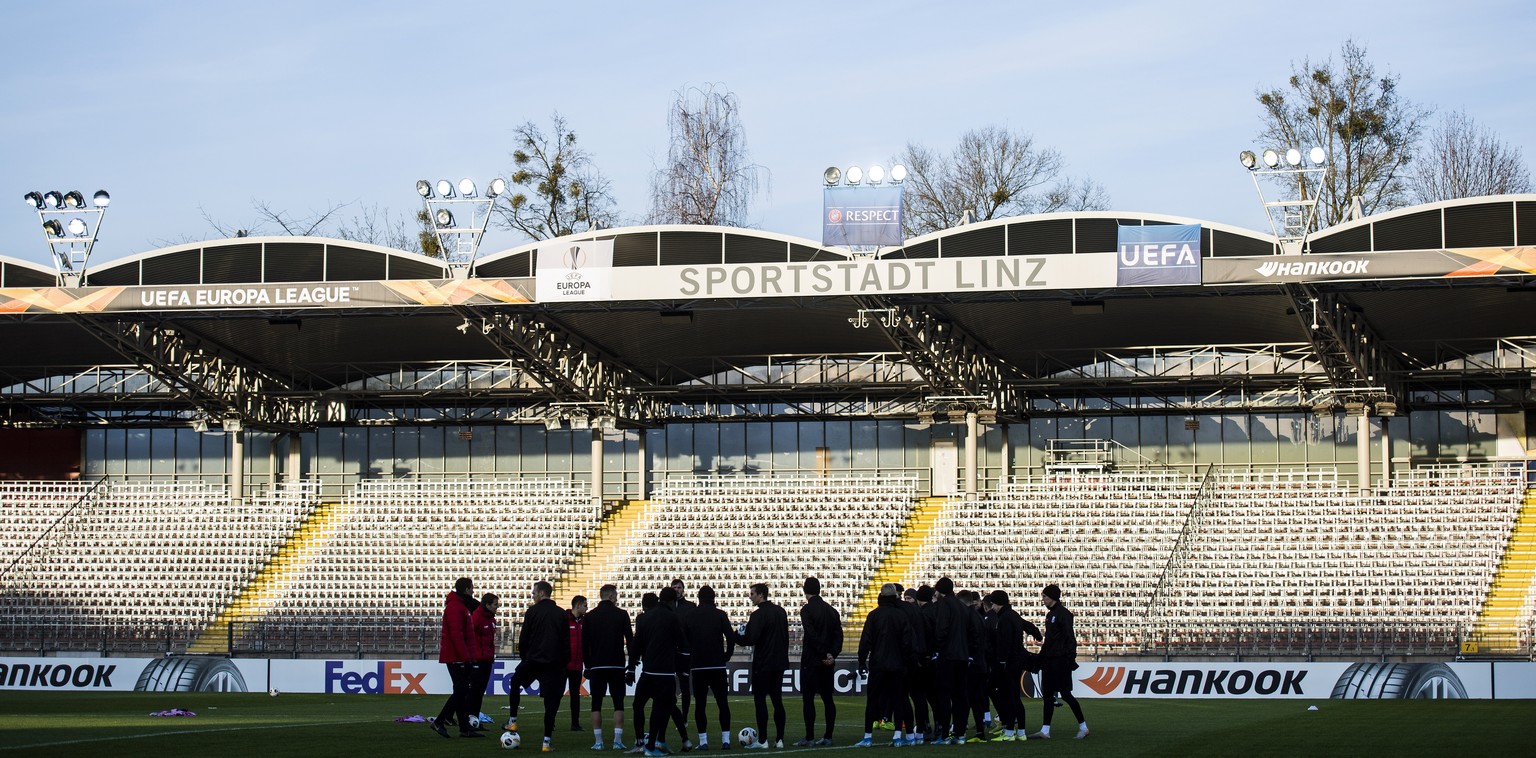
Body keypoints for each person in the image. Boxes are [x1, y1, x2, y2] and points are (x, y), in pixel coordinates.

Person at [505, 580, 572, 752]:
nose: (532, 595)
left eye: (534, 593)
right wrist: (564, 662)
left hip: (533, 660)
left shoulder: (532, 612)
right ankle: (546, 743)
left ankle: (512, 721)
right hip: (555, 664)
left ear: (542, 593)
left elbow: (524, 638)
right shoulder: (562, 614)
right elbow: (566, 642)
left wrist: (525, 657)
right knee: (551, 704)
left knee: (515, 682)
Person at [855, 583, 917, 748]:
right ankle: (898, 735)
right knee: (898, 700)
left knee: (872, 701)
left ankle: (868, 736)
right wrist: (907, 661)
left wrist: (862, 661)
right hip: (898, 665)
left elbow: (865, 641)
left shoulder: (874, 615)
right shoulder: (901, 615)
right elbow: (907, 643)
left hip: (878, 664)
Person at [632, 587, 687, 757]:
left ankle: (642, 742)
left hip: (647, 671)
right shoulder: (672, 617)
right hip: (664, 672)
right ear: (672, 602)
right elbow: (681, 643)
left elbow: (636, 644)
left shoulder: (643, 618)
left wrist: (630, 667)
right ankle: (652, 745)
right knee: (662, 707)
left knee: (638, 705)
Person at [1028, 584, 1088, 741]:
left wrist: (1070, 658)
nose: (1043, 600)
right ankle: (1045, 730)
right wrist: (1040, 659)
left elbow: (1070, 637)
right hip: (1050, 660)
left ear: (1052, 597)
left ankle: (1083, 727)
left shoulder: (1063, 614)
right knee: (1047, 695)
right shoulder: (1050, 615)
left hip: (1060, 660)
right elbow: (1049, 641)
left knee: (1066, 694)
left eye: (1045, 597)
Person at [732, 583, 788, 750]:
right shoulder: (781, 612)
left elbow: (751, 638)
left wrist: (735, 637)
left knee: (760, 700)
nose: (750, 597)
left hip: (763, 663)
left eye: (752, 593)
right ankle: (779, 739)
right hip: (779, 662)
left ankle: (762, 740)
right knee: (777, 700)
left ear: (761, 595)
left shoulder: (758, 614)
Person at [682, 585, 735, 751]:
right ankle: (725, 740)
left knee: (700, 704)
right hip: (717, 664)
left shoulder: (690, 616)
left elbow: (684, 641)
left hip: (698, 666)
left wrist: (691, 656)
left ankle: (703, 741)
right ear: (714, 598)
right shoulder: (720, 614)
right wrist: (727, 654)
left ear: (698, 598)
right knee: (722, 703)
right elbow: (731, 637)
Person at [983, 590, 1039, 741]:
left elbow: (1005, 643)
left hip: (1009, 664)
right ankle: (1021, 732)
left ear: (998, 602)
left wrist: (1002, 662)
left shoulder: (1005, 618)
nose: (992, 607)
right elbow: (1027, 627)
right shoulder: (1013, 615)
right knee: (1015, 698)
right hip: (1016, 661)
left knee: (1009, 697)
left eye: (993, 603)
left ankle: (1009, 732)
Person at [583, 584, 634, 751]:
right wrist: (632, 664)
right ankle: (617, 740)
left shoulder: (589, 616)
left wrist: (588, 665)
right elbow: (630, 641)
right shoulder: (622, 614)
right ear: (611, 596)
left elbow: (585, 644)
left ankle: (598, 742)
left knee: (596, 703)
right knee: (618, 703)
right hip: (617, 665)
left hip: (597, 665)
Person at [432, 577, 482, 738]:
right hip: (456, 656)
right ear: (467, 589)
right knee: (461, 690)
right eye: (472, 588)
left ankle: (464, 728)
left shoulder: (459, 606)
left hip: (458, 655)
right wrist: (465, 657)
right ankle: (440, 721)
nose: (473, 591)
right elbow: (457, 635)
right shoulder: (456, 607)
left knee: (461, 690)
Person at [796, 576, 842, 747]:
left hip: (812, 660)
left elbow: (811, 634)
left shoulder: (807, 610)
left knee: (808, 700)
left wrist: (823, 654)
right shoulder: (831, 610)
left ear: (804, 590)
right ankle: (828, 736)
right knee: (828, 699)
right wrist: (832, 655)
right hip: (827, 662)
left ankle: (809, 737)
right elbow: (839, 635)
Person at [929, 577, 972, 744]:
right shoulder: (962, 607)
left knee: (944, 696)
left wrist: (937, 649)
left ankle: (945, 734)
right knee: (960, 696)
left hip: (948, 656)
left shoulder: (943, 605)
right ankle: (960, 734)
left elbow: (941, 629)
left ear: (940, 590)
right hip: (962, 656)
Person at [900, 585, 932, 744]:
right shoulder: (921, 614)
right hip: (921, 659)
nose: (907, 601)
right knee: (920, 697)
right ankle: (921, 730)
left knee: (905, 697)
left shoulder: (905, 614)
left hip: (909, 660)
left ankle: (911, 733)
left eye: (909, 598)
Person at [670, 578, 698, 743]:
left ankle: (685, 717)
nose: (677, 590)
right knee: (670, 684)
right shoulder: (667, 607)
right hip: (670, 651)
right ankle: (674, 714)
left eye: (679, 587)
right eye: (674, 587)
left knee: (685, 685)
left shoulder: (690, 607)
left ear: (683, 589)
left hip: (685, 652)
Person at [468, 592, 501, 732]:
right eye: (495, 604)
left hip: (486, 660)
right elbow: (468, 636)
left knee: (479, 692)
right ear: (487, 605)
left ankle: (474, 720)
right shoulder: (477, 617)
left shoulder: (491, 620)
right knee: (474, 692)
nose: (497, 607)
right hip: (477, 660)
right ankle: (469, 721)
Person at [567, 596, 589, 732]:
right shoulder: (564, 619)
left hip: (577, 665)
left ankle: (575, 723)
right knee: (556, 694)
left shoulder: (585, 622)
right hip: (563, 664)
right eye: (585, 605)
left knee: (575, 695)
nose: (587, 608)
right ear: (578, 605)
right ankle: (550, 722)